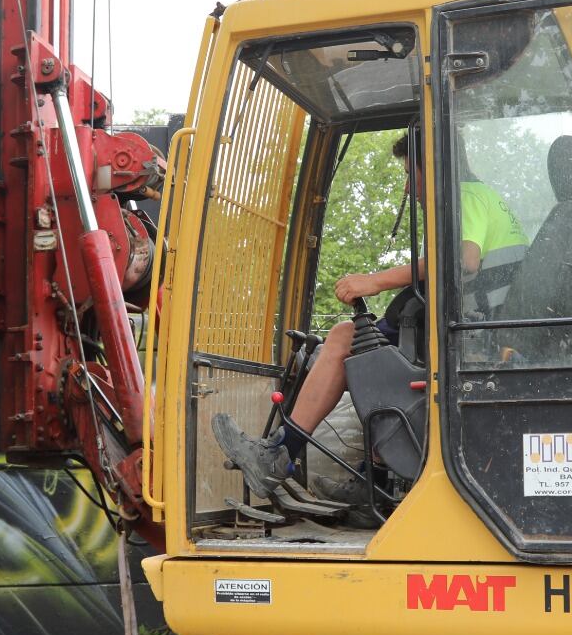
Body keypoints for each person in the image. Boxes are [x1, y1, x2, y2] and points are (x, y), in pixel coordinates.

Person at [213, 127, 528, 498]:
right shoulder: (487, 200)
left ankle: (279, 456)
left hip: (465, 335)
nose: (409, 188)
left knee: (345, 338)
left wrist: (375, 282)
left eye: (412, 174)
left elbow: (464, 260)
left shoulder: (466, 196)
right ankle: (372, 482)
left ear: (435, 166)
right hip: (468, 329)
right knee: (371, 349)